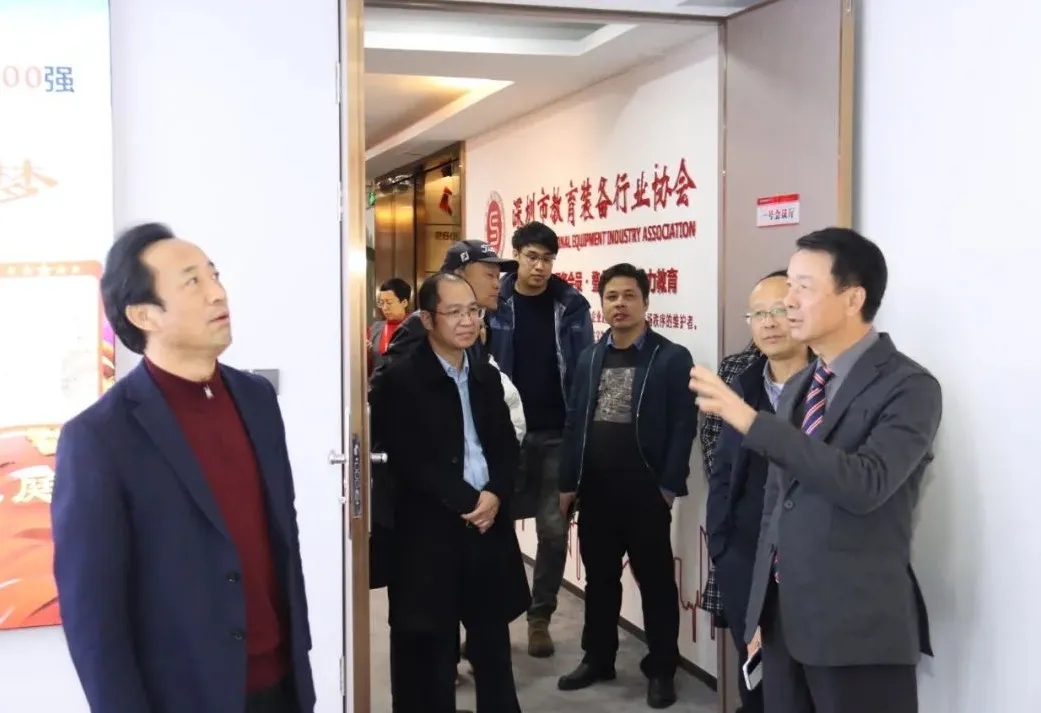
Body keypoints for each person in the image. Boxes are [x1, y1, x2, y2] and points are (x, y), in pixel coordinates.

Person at [51, 223, 314, 713]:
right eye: (193, 282)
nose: (218, 293)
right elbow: (93, 617)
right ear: (144, 314)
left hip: (281, 682)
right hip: (184, 696)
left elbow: (282, 537)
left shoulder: (256, 398)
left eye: (215, 275)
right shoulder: (99, 438)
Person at [689, 227, 942, 713]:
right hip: (783, 625)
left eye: (803, 287)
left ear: (853, 299)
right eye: (789, 287)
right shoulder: (804, 383)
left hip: (857, 631)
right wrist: (758, 611)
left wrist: (751, 421)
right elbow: (774, 509)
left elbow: (865, 483)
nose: (788, 302)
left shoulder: (909, 386)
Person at [369, 272, 530, 713]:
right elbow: (409, 458)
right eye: (454, 312)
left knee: (492, 648)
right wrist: (469, 501)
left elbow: (506, 446)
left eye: (473, 311)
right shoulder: (400, 379)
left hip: (486, 527)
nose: (467, 321)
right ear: (427, 319)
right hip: (428, 535)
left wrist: (495, 494)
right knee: (428, 655)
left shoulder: (485, 375)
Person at [556, 263, 697, 709]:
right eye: (612, 296)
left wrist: (667, 488)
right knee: (600, 581)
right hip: (596, 491)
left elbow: (683, 427)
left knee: (655, 584)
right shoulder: (589, 357)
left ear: (645, 301)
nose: (620, 304)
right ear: (602, 303)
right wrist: (568, 481)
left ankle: (662, 668)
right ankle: (598, 658)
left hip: (645, 493)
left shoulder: (671, 357)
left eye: (629, 295)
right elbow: (574, 422)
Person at [706, 270, 810, 713]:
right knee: (756, 682)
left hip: (810, 568)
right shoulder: (741, 383)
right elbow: (722, 468)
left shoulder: (831, 390)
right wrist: (722, 546)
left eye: (780, 310)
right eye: (758, 314)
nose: (769, 323)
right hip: (745, 562)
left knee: (806, 688)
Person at [488, 220, 593, 657]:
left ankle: (539, 617)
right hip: (505, 435)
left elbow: (584, 371)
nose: (540, 266)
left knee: (553, 529)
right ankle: (489, 620)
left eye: (548, 259)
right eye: (532, 257)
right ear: (516, 255)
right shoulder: (495, 303)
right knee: (492, 526)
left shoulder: (571, 305)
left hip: (556, 434)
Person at [372, 240, 517, 377]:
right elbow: (386, 382)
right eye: (490, 275)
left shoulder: (481, 323)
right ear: (458, 276)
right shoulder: (423, 324)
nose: (497, 284)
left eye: (498, 276)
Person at [369, 277, 412, 375]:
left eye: (389, 303)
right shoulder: (375, 329)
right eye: (381, 303)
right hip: (379, 382)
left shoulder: (416, 327)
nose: (385, 308)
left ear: (404, 302)